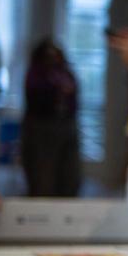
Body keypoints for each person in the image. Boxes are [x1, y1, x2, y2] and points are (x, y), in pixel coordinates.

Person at [21, 38, 81, 197]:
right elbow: (35, 98)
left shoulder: (65, 72)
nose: (53, 59)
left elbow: (74, 95)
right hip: (42, 126)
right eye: (48, 55)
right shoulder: (36, 74)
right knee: (43, 175)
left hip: (66, 124)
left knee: (69, 174)